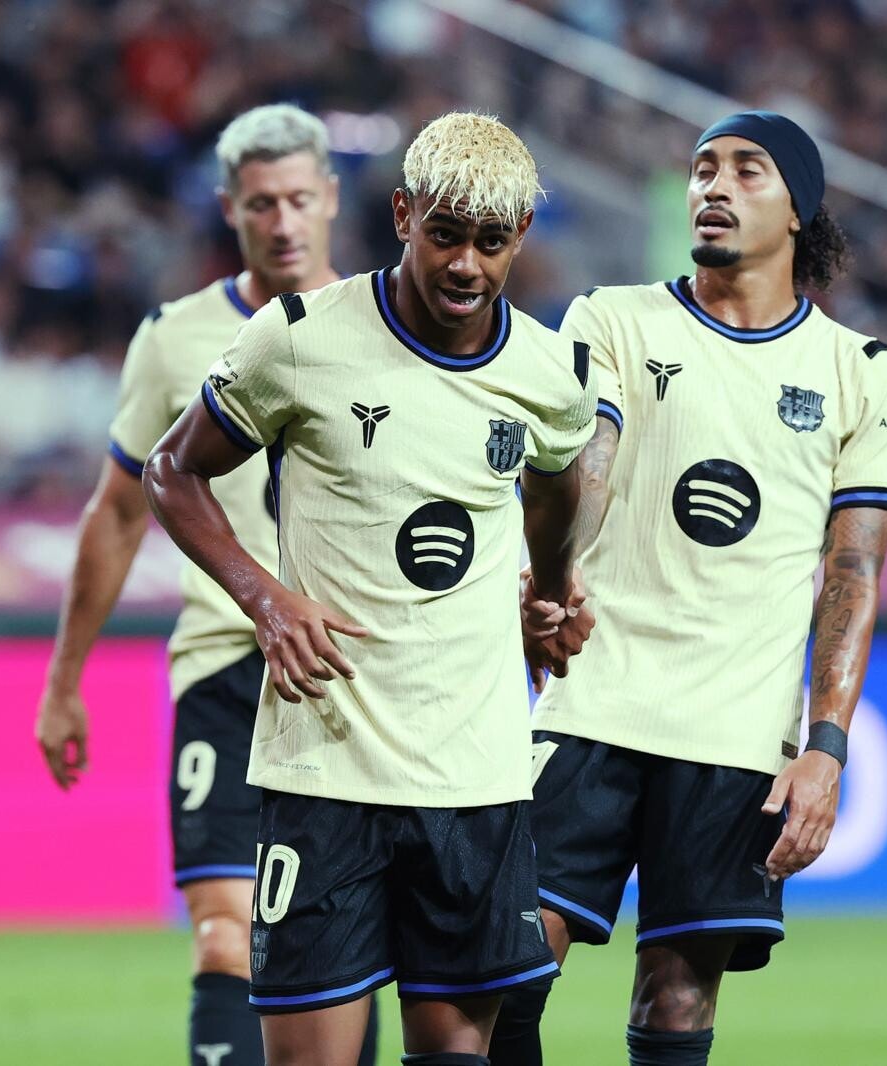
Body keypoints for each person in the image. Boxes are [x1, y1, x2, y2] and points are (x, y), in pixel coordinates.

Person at [141, 112, 597, 1066]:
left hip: (474, 778)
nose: (465, 265)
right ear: (401, 215)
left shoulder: (547, 373)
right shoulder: (299, 339)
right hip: (325, 772)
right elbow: (171, 471)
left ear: (521, 237)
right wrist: (266, 600)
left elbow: (559, 487)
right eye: (444, 234)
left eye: (491, 242)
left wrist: (550, 593)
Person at [490, 110, 887, 1066]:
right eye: (702, 168)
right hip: (594, 699)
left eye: (746, 170)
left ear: (799, 210)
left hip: (737, 732)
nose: (713, 186)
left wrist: (826, 748)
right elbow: (588, 466)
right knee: (505, 971)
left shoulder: (861, 371)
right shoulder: (613, 318)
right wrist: (553, 575)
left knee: (678, 999)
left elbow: (853, 572)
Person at [30, 104, 371, 1066]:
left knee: (350, 947)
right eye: (262, 203)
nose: (283, 221)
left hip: (356, 673)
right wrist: (64, 680)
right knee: (226, 934)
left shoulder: (385, 325)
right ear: (230, 208)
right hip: (227, 667)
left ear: (330, 198)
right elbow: (116, 513)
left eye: (299, 198)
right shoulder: (175, 338)